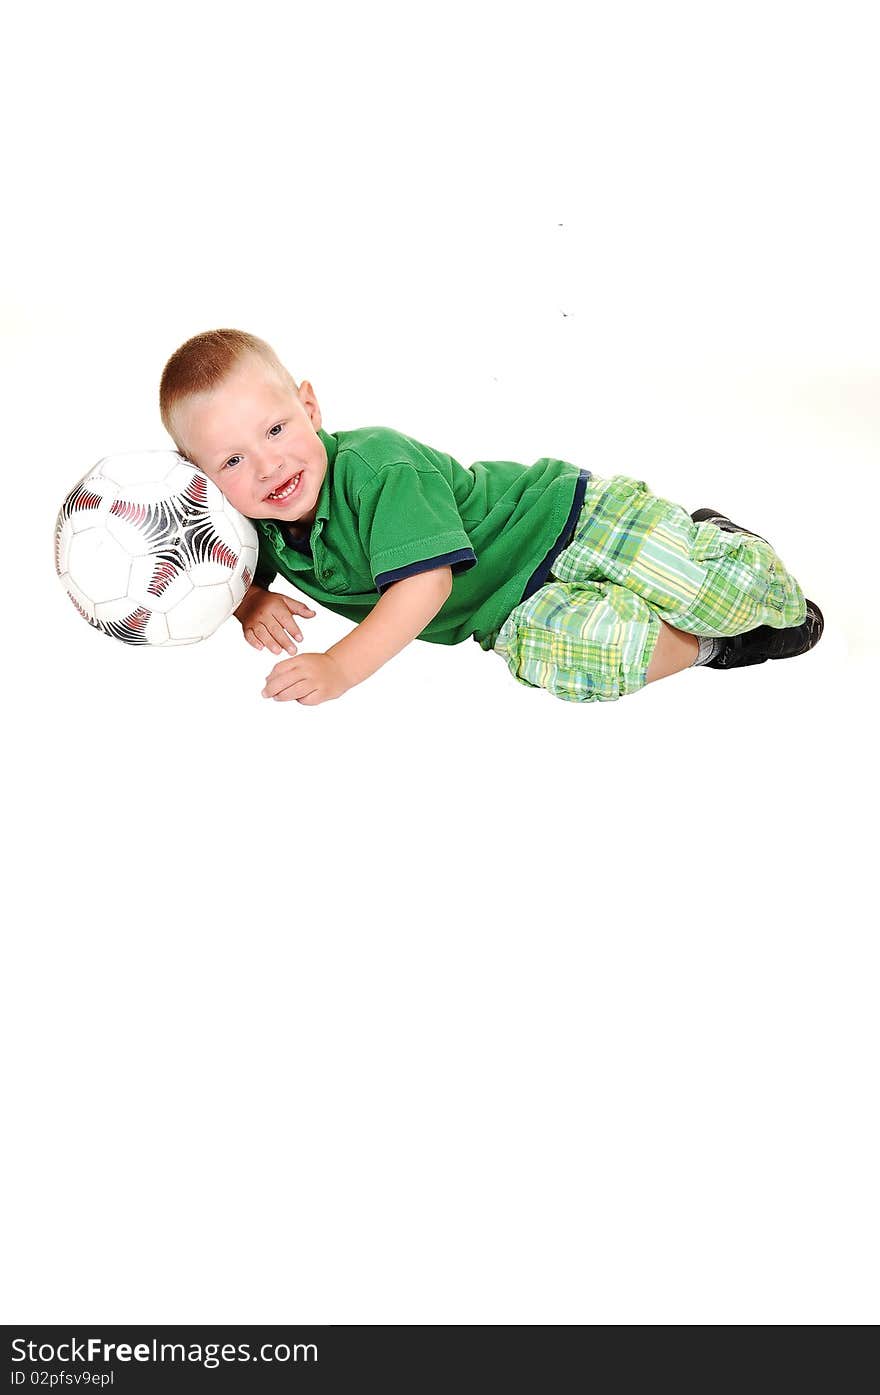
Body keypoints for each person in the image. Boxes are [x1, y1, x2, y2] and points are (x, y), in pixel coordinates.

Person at [159, 328, 824, 707]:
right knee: (601, 658)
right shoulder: (259, 521)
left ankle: (719, 550)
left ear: (310, 405)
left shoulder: (380, 469)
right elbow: (221, 572)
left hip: (564, 522)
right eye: (233, 460)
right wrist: (249, 603)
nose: (269, 466)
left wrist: (340, 665)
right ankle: (719, 649)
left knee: (723, 593)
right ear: (201, 474)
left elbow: (427, 585)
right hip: (507, 611)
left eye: (276, 428)